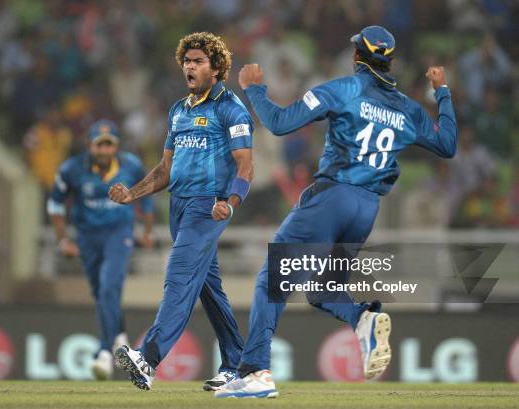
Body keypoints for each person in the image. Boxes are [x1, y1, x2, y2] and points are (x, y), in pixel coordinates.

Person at [216, 26, 458, 398]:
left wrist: (253, 89)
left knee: (272, 279)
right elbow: (446, 145)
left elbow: (280, 124)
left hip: (332, 198)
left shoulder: (343, 89)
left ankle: (254, 373)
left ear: (357, 56)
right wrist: (441, 92)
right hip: (366, 208)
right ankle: (362, 318)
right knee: (321, 288)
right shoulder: (407, 108)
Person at [109, 32, 253, 392]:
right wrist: (132, 194)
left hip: (208, 207)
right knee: (209, 290)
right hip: (178, 206)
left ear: (216, 68)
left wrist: (230, 204)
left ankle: (148, 358)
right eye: (186, 61)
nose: (189, 66)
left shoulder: (230, 108)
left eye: (198, 61)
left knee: (178, 276)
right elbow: (165, 169)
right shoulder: (178, 111)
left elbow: (246, 167)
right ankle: (238, 366)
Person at [47, 119, 154, 380]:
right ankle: (119, 335)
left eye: (109, 145)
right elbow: (55, 205)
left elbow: (148, 193)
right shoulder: (72, 169)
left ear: (116, 146)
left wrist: (147, 230)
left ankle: (104, 353)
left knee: (108, 286)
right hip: (87, 237)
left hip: (119, 234)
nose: (104, 151)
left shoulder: (131, 165)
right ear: (90, 145)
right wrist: (63, 240)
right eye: (100, 145)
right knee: (101, 293)